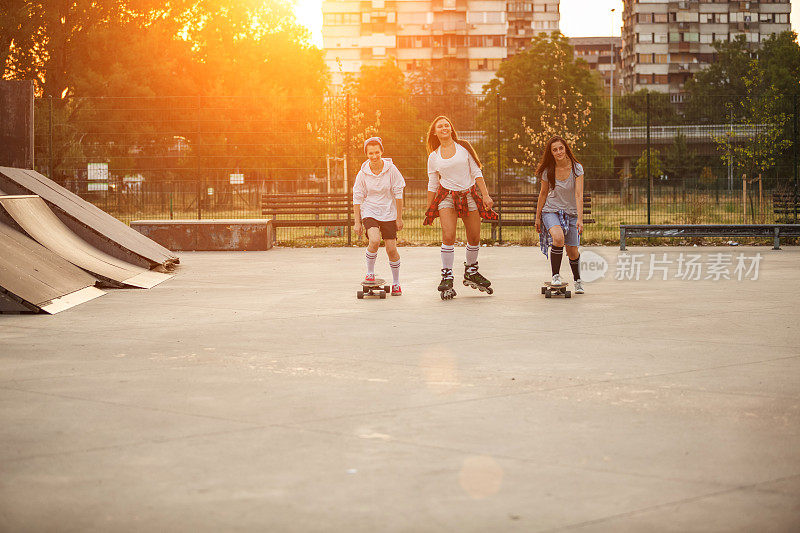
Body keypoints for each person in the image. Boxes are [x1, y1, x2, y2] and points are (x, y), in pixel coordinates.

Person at [423, 115, 498, 299]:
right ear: (435, 132)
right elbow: (432, 183)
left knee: (474, 236)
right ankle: (447, 275)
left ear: (451, 128)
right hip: (446, 197)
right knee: (448, 236)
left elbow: (476, 171)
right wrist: (429, 208)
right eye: (439, 126)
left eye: (446, 125)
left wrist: (486, 194)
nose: (444, 128)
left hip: (468, 194)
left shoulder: (463, 148)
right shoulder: (433, 156)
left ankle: (471, 271)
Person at [353, 136, 406, 295]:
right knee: (375, 240)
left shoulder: (391, 170)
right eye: (370, 153)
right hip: (370, 211)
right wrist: (357, 222)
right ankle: (370, 273)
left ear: (382, 151)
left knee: (391, 249)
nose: (374, 156)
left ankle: (396, 283)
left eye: (377, 152)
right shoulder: (363, 173)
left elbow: (398, 193)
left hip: (388, 212)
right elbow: (357, 197)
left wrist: (399, 217)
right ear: (366, 154)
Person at [534, 135, 585, 294]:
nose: (558, 152)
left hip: (571, 213)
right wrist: (537, 217)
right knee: (558, 238)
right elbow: (543, 194)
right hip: (551, 210)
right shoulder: (547, 170)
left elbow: (578, 195)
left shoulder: (577, 168)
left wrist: (580, 219)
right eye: (554, 150)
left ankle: (577, 280)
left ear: (566, 148)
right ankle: (555, 275)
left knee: (572, 252)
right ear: (551, 153)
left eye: (560, 148)